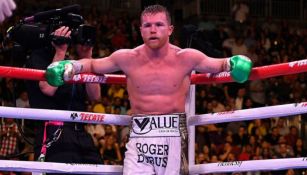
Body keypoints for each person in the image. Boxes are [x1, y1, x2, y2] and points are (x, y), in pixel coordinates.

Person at [45, 5, 252, 175]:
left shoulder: (187, 57)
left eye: (159, 24)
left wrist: (235, 63)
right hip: (139, 136)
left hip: (173, 134)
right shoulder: (126, 57)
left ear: (170, 29)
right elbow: (93, 65)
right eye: (148, 25)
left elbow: (220, 64)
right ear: (141, 29)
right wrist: (71, 66)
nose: (153, 29)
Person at [25, 26, 102, 174]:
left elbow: (95, 96)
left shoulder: (75, 61)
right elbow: (48, 88)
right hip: (54, 132)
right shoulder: (39, 56)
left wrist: (87, 57)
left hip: (80, 132)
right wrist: (60, 52)